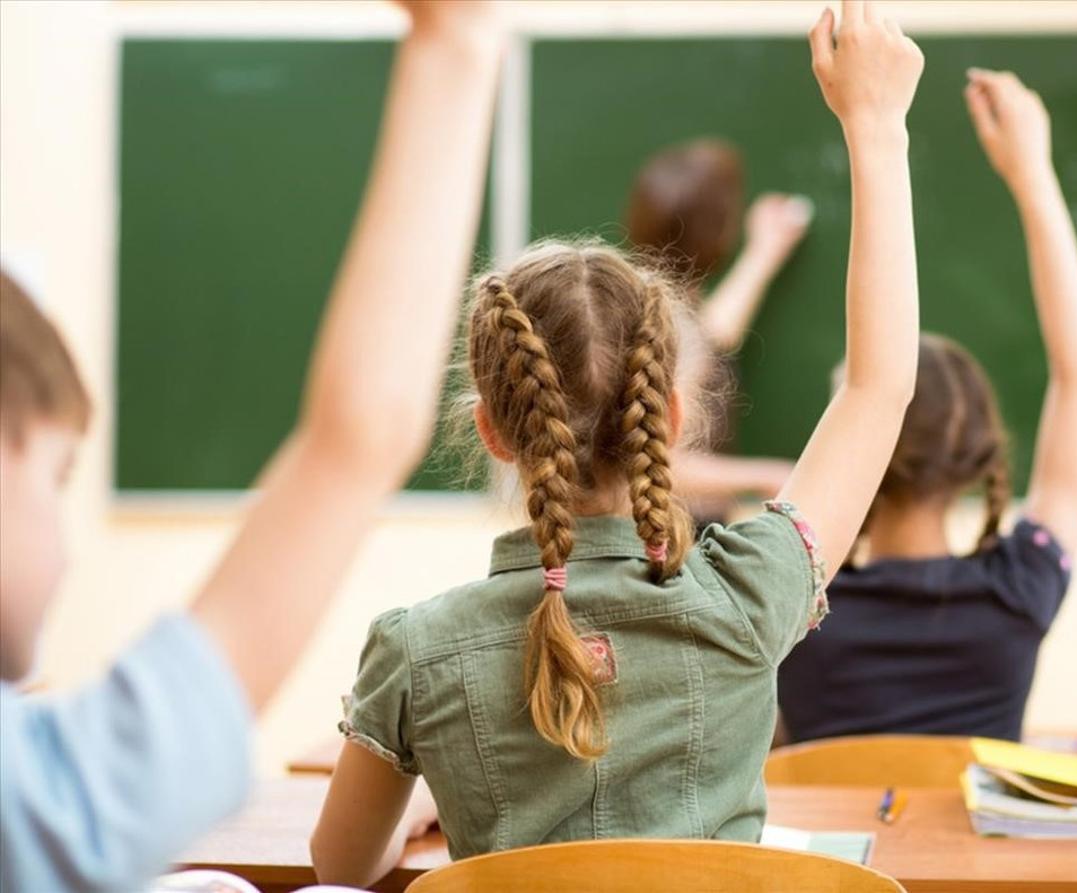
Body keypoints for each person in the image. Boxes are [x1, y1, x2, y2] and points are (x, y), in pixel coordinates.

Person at [312, 3, 924, 884]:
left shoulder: (416, 649)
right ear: (670, 421)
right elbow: (879, 389)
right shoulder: (750, 595)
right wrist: (878, 127)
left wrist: (424, 794)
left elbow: (339, 864)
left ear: (490, 428)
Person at [0, 3, 504, 889]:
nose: (66, 535)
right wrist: (455, 42)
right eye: (54, 476)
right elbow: (358, 437)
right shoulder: (32, 794)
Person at [777, 68, 1077, 744]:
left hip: (833, 856)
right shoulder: (1018, 591)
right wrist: (1032, 176)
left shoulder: (787, 601)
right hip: (975, 852)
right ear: (974, 454)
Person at [626, 139, 813, 525]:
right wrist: (769, 476)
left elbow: (714, 335)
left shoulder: (652, 307)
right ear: (720, 230)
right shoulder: (676, 331)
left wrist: (764, 252)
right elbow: (660, 462)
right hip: (680, 538)